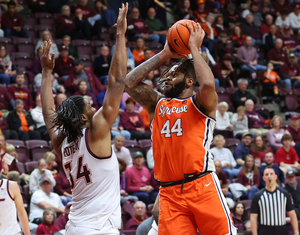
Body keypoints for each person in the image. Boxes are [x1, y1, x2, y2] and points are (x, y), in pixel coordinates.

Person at [125, 21, 236, 234]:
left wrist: (194, 47)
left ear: (189, 82)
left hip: (201, 184)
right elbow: (129, 83)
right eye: (167, 74)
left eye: (173, 74)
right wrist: (166, 53)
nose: (166, 77)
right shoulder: (157, 104)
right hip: (170, 192)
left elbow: (209, 84)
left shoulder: (200, 103)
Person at [39, 4, 128, 234]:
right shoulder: (96, 130)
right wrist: (120, 35)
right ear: (82, 116)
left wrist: (47, 73)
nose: (92, 102)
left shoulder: (62, 143)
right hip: (99, 228)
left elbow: (49, 114)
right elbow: (117, 81)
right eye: (88, 104)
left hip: (76, 226)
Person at [250, 167, 299, 235]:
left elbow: (292, 214)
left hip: (282, 230)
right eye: (266, 174)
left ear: (275, 177)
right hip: (265, 230)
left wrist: (296, 232)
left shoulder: (284, 194)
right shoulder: (258, 196)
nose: (269, 176)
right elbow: (253, 217)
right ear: (263, 178)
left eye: (271, 174)